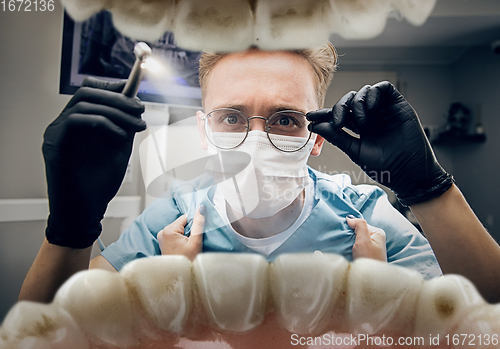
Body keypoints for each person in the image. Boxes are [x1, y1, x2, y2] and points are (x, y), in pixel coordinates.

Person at [19, 44, 500, 305]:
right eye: (231, 118)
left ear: (316, 138)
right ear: (206, 133)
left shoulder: (366, 217)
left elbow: (487, 316)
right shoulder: (173, 220)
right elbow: (47, 328)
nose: (255, 140)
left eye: (285, 118)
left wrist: (430, 190)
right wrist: (70, 229)